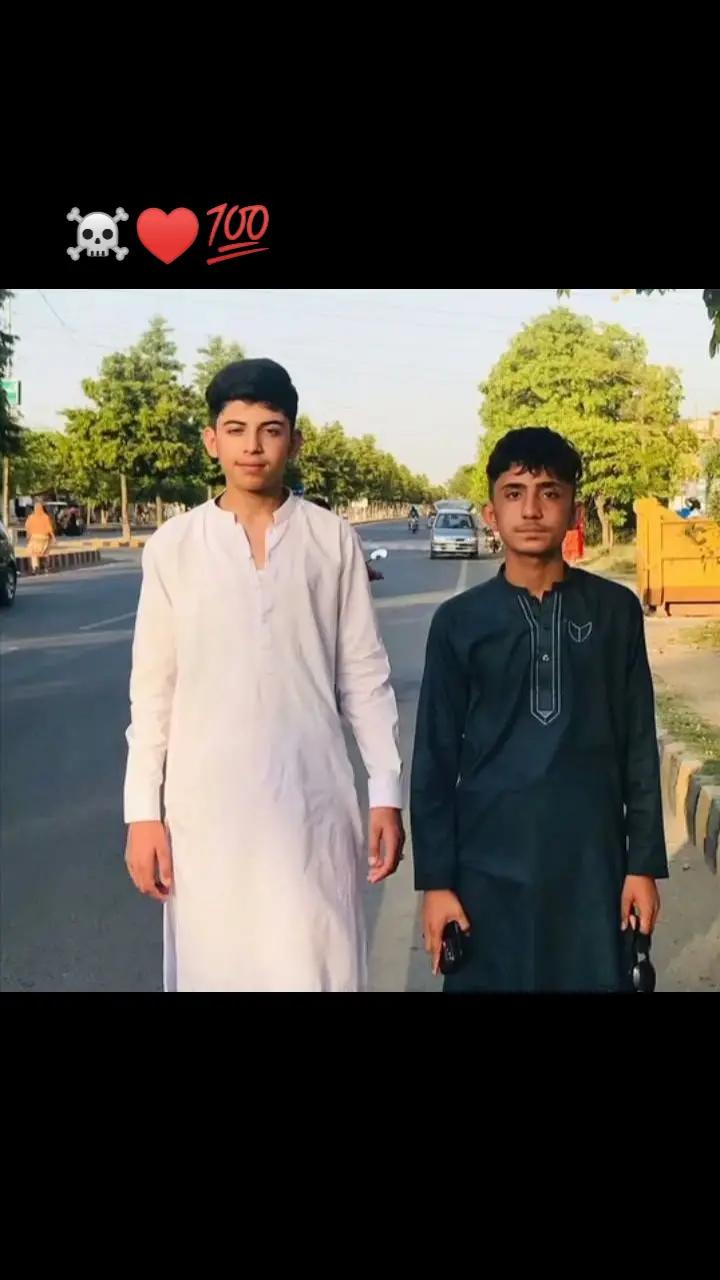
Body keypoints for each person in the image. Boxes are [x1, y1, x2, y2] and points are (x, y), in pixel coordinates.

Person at [124, 358, 405, 992]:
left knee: (317, 964)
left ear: (294, 441)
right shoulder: (174, 547)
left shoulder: (332, 540)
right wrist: (142, 813)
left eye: (270, 430)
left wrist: (386, 792)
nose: (252, 446)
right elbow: (153, 693)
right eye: (236, 429)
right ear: (211, 440)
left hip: (313, 804)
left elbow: (365, 677)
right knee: (216, 966)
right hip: (206, 813)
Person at [411, 426, 667, 992]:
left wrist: (642, 865)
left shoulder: (615, 611)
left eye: (550, 492)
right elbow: (434, 761)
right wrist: (437, 882)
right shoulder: (459, 623)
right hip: (486, 866)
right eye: (514, 492)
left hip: (592, 863)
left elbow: (639, 747)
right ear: (491, 512)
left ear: (574, 510)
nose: (531, 509)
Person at [24, 501, 55, 574]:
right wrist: (53, 537)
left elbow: (27, 527)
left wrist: (28, 536)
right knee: (45, 553)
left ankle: (35, 567)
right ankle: (46, 567)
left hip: (34, 538)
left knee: (33, 553)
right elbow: (49, 528)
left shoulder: (31, 517)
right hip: (44, 538)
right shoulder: (46, 517)